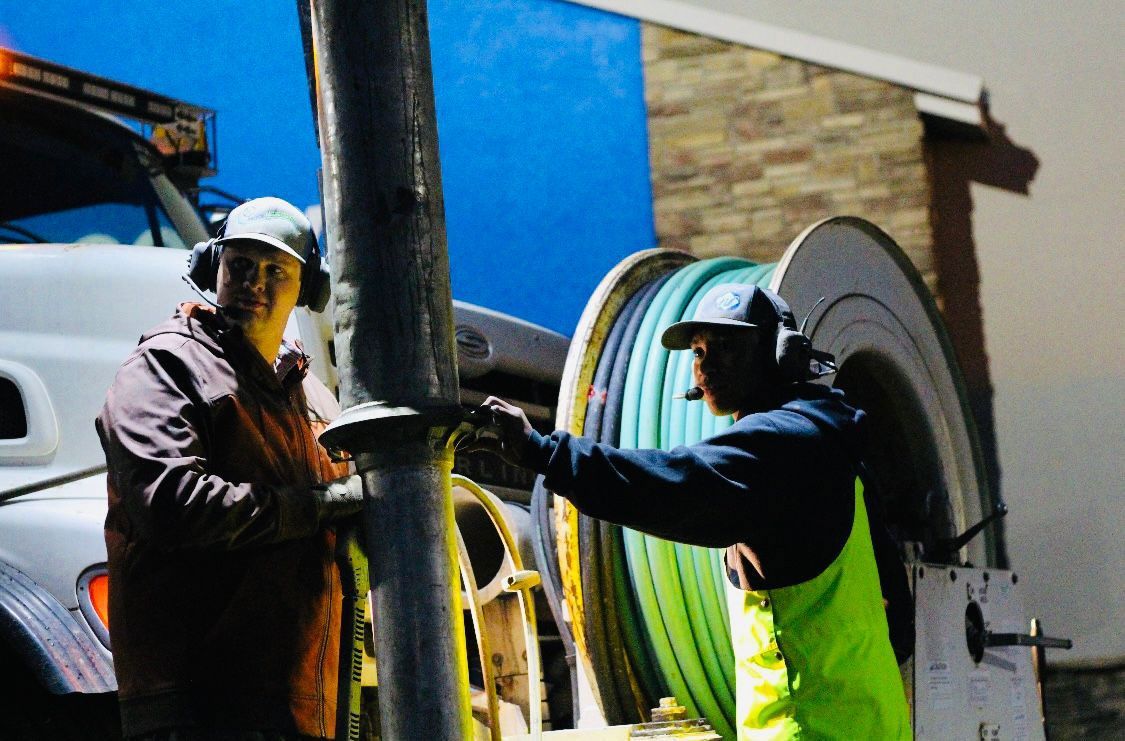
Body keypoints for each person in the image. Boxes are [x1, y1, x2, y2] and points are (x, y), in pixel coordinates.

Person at [477, 283, 912, 739]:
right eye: (699, 351)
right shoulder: (834, 442)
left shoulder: (782, 446)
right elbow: (896, 609)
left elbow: (675, 484)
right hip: (876, 723)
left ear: (780, 354)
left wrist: (541, 451)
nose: (706, 365)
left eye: (727, 347)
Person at [97, 197, 364, 741]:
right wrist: (319, 506)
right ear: (210, 266)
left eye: (275, 271)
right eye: (240, 264)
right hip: (196, 705)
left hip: (294, 702)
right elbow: (171, 505)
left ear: (307, 290)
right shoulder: (167, 366)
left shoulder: (310, 396)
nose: (254, 283)